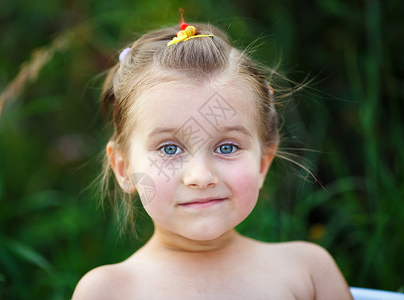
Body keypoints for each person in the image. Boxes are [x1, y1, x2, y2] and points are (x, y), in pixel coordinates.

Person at [72, 17, 353, 299]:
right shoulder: (108, 291)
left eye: (227, 147)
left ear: (263, 163)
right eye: (169, 149)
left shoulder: (307, 271)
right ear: (124, 168)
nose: (201, 177)